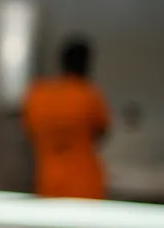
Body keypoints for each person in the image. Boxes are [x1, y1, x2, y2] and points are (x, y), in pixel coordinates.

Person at [23, 36, 110, 199]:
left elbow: (30, 131)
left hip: (48, 183)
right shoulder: (89, 95)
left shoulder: (38, 95)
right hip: (85, 186)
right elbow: (101, 132)